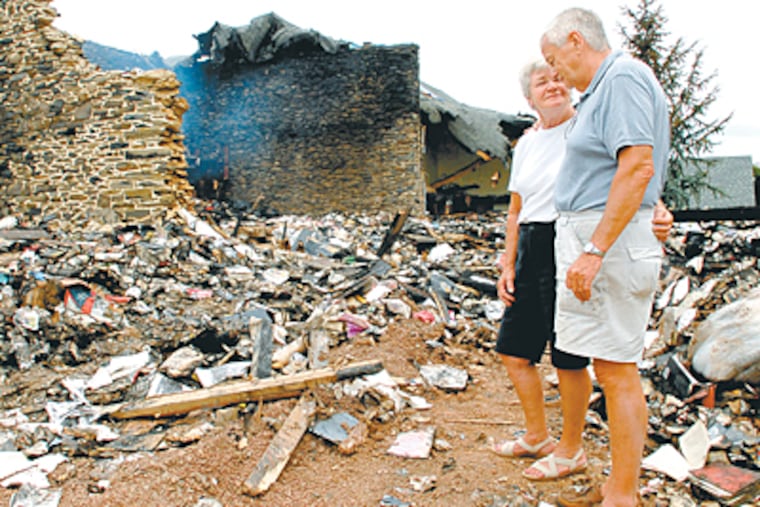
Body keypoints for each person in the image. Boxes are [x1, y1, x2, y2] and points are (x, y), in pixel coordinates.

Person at [490, 59, 673, 485]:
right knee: (514, 350)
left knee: (569, 355)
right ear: (528, 97)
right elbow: (515, 210)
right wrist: (507, 261)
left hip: (572, 238)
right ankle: (537, 436)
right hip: (532, 245)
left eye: (558, 79)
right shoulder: (526, 144)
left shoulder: (585, 126)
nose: (553, 86)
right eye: (542, 82)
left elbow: (632, 168)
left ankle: (571, 450)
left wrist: (656, 209)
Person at [539, 7, 670, 507]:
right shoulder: (607, 89)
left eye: (556, 60)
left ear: (577, 40)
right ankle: (618, 487)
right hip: (600, 237)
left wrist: (594, 250)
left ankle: (622, 495)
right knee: (609, 363)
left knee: (617, 369)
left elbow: (637, 165)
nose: (556, 73)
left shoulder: (622, 78)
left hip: (606, 243)